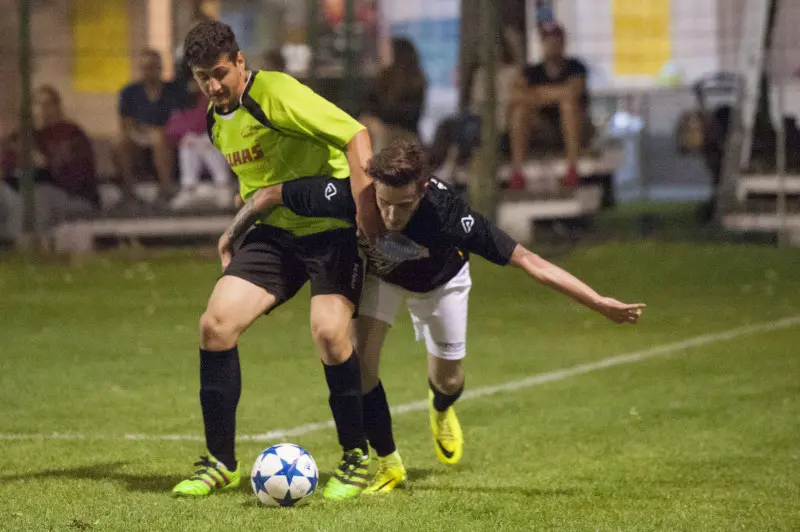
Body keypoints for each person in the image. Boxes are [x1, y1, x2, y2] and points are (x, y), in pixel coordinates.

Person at [246, 140, 646, 493]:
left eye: (402, 206)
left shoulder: (450, 215)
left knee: (449, 378)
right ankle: (388, 463)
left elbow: (531, 262)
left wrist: (597, 302)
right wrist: (232, 236)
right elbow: (270, 195)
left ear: (421, 191)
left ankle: (440, 406)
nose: (389, 215)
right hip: (383, 278)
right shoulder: (356, 192)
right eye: (383, 202)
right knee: (361, 367)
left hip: (442, 284)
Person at [170, 20, 381, 501]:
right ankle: (221, 462)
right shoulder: (214, 117)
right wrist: (235, 229)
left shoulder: (277, 93)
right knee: (215, 325)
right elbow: (260, 187)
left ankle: (356, 457)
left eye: (221, 72)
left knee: (329, 332)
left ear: (240, 61)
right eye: (203, 76)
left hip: (330, 228)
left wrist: (366, 217)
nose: (213, 85)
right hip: (277, 233)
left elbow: (356, 135)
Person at [0, 85, 97, 247]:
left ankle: (19, 248)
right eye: (37, 104)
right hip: (21, 191)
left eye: (48, 104)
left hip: (70, 195)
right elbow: (6, 167)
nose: (43, 109)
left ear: (58, 107)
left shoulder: (72, 134)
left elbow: (80, 177)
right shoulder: (25, 135)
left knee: (38, 196)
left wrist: (46, 164)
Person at [508, 21, 593, 190]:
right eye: (547, 41)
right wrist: (556, 93)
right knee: (520, 112)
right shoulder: (532, 71)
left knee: (568, 107)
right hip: (543, 129)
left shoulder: (576, 67)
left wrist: (537, 94)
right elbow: (517, 94)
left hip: (575, 129)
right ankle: (517, 171)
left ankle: (572, 167)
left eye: (556, 40)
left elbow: (572, 92)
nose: (552, 45)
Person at [115, 49, 184, 203]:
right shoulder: (129, 92)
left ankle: (166, 187)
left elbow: (179, 118)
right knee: (118, 142)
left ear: (160, 68)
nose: (150, 71)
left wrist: (159, 131)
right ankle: (128, 189)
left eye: (154, 67)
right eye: (146, 67)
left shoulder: (173, 90)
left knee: (158, 138)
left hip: (167, 135)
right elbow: (125, 122)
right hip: (138, 134)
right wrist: (141, 131)